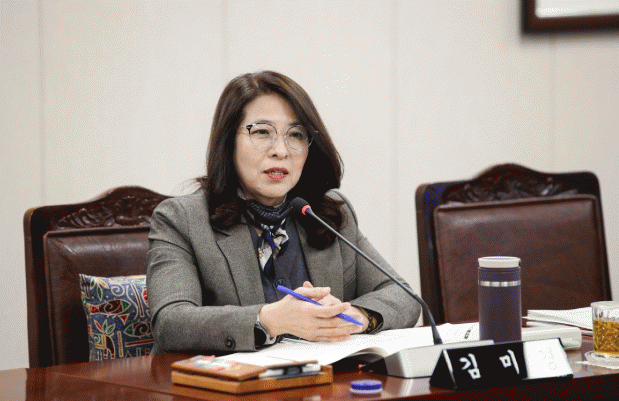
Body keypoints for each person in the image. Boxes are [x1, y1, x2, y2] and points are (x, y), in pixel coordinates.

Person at [147, 71, 421, 354]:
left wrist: (354, 316)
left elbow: (404, 296)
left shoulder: (325, 213)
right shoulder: (182, 219)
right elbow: (170, 322)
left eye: (296, 135)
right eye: (262, 132)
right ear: (228, 141)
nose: (280, 150)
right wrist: (270, 320)